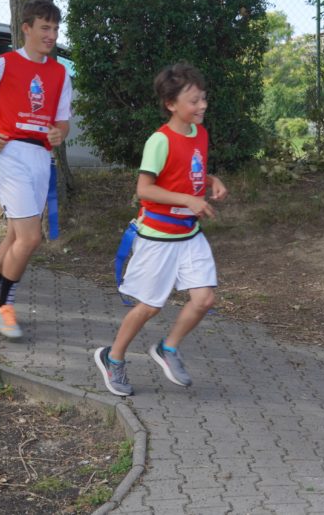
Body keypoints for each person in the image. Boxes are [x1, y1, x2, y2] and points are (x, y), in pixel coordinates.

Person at [93, 62, 228, 396]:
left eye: (203, 99)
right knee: (150, 306)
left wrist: (211, 181)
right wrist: (187, 198)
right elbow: (145, 189)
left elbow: (188, 172)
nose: (202, 106)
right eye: (194, 101)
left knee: (204, 298)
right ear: (172, 105)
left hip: (190, 235)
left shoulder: (201, 133)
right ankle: (113, 357)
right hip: (158, 237)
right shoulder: (159, 140)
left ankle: (167, 348)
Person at [0, 0, 72, 338]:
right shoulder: (3, 63)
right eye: (45, 28)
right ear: (26, 28)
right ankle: (3, 306)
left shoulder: (61, 73)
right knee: (31, 238)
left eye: (55, 29)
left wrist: (58, 133)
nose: (51, 35)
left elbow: (62, 122)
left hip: (40, 159)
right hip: (10, 155)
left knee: (15, 236)